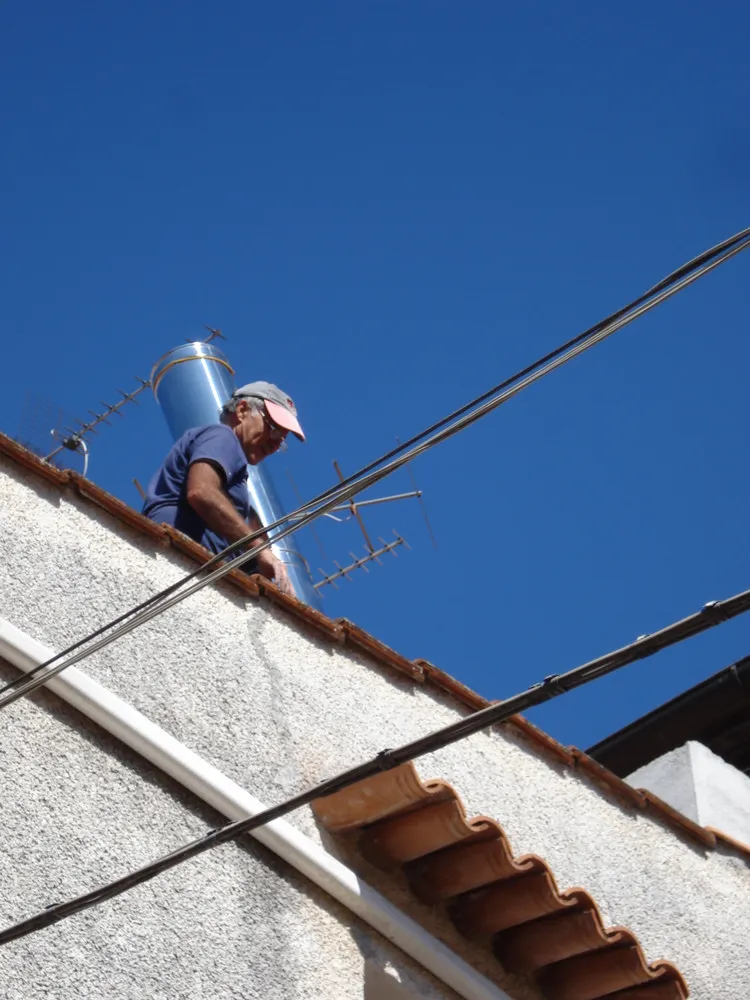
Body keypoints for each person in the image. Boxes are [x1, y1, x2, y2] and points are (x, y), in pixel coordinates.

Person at [142, 381, 305, 596]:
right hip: (174, 558)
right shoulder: (223, 437)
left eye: (282, 441)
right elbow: (202, 491)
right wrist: (259, 550)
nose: (275, 444)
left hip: (186, 565)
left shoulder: (234, 466)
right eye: (274, 430)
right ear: (242, 410)